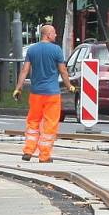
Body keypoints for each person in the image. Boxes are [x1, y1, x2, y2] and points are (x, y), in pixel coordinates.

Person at [13, 24, 75, 163]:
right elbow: (63, 71)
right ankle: (44, 156)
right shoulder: (56, 50)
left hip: (36, 94)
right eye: (54, 33)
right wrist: (69, 86)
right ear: (47, 34)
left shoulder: (32, 50)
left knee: (33, 121)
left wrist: (18, 88)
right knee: (50, 124)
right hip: (52, 94)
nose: (56, 35)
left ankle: (28, 150)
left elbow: (25, 71)